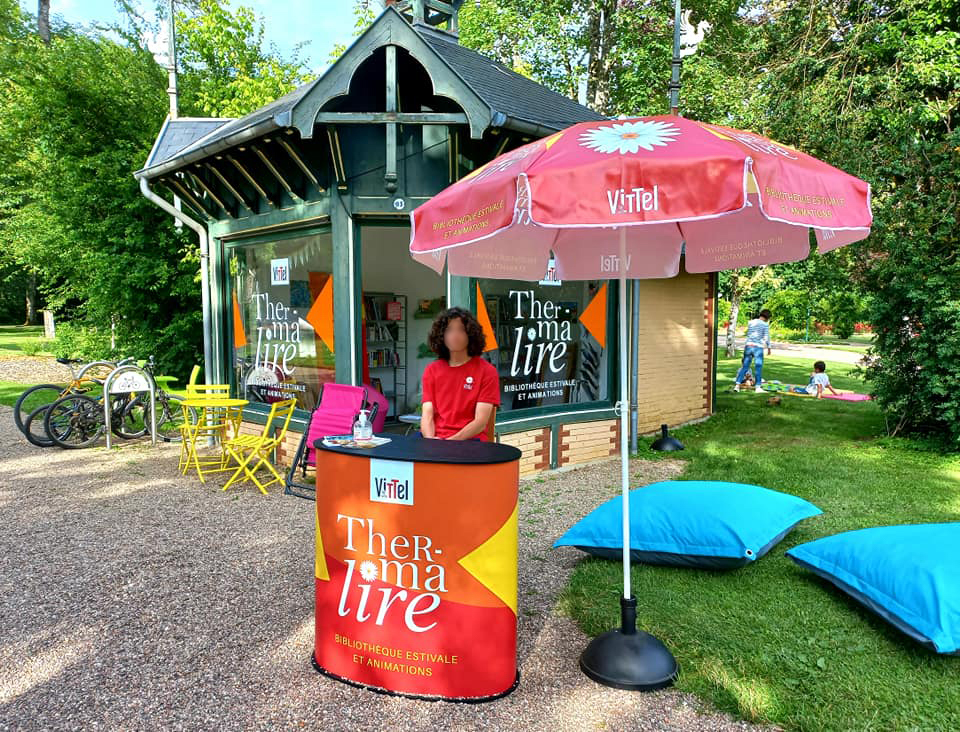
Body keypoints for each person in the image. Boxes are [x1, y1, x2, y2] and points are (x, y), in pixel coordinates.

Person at [420, 307, 500, 441]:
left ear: (470, 335)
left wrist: (450, 443)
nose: (454, 335)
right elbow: (427, 415)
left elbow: (480, 422)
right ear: (441, 335)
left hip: (471, 443)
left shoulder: (487, 371)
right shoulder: (432, 370)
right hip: (436, 441)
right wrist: (430, 441)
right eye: (448, 330)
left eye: (461, 330)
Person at [734, 309, 772, 393]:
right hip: (757, 347)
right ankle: (758, 387)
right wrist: (769, 348)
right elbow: (766, 337)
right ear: (767, 317)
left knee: (745, 367)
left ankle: (737, 385)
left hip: (748, 346)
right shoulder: (765, 325)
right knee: (758, 367)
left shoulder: (751, 322)